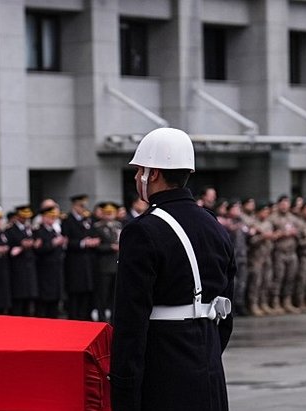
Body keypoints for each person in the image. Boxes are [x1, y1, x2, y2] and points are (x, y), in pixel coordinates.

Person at [110, 127, 235, 411]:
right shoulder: (213, 224)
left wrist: (124, 388)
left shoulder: (142, 230)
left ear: (152, 174)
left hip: (164, 369)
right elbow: (226, 309)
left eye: (138, 170)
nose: (136, 177)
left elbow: (131, 319)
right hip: (208, 363)